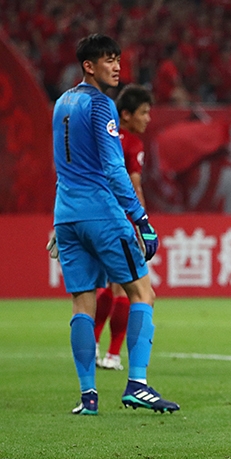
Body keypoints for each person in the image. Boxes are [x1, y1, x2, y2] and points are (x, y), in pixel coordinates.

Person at [51, 34, 179, 415]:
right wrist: (140, 219)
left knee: (82, 302)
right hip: (102, 214)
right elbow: (112, 168)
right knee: (143, 292)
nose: (117, 66)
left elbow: (62, 164)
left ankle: (88, 396)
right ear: (89, 66)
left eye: (118, 59)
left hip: (67, 214)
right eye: (108, 60)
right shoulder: (101, 105)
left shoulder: (61, 102)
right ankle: (137, 384)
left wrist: (58, 223)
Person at [94, 84, 153, 371]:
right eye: (143, 113)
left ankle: (92, 343)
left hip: (94, 215)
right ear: (126, 115)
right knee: (128, 289)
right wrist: (142, 221)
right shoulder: (132, 143)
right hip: (121, 219)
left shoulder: (103, 136)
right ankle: (113, 354)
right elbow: (134, 183)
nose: (148, 119)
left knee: (107, 283)